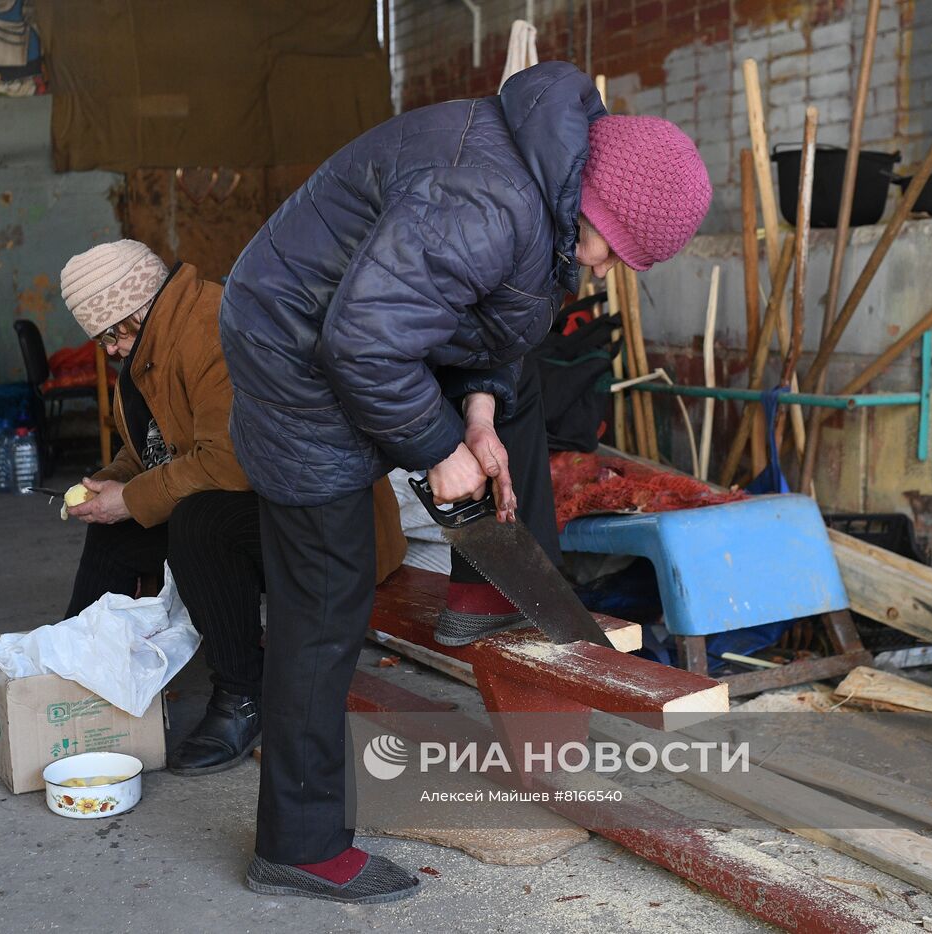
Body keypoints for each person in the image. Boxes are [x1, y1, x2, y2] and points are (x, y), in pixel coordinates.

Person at [219, 61, 711, 903]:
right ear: (595, 208)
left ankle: (482, 587)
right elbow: (365, 343)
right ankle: (295, 847)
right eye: (612, 253)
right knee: (325, 602)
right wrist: (439, 448)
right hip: (293, 357)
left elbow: (490, 316)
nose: (602, 271)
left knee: (513, 403)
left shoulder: (538, 176)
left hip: (349, 330)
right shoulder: (488, 201)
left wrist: (478, 417)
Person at [57, 239, 406, 776]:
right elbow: (152, 446)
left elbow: (231, 463)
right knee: (118, 532)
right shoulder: (151, 344)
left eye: (111, 334)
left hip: (326, 524)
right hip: (263, 507)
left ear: (137, 309)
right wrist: (108, 486)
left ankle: (243, 695)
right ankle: (74, 680)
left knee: (201, 522)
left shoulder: (213, 330)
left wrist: (130, 499)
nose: (108, 351)